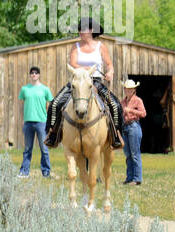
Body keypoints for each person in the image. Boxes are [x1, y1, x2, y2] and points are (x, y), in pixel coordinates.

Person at [44, 17, 124, 149]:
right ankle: (52, 135)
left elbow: (109, 65)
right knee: (55, 104)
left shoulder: (101, 47)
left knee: (115, 106)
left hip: (96, 81)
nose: (80, 32)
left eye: (83, 29)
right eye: (79, 29)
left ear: (91, 30)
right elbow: (73, 63)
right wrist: (89, 69)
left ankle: (116, 136)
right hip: (77, 81)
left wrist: (110, 72)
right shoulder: (75, 47)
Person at [18, 66, 54, 178]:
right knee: (28, 148)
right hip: (28, 122)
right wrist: (22, 119)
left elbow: (51, 103)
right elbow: (21, 104)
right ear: (30, 75)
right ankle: (24, 171)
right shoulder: (25, 89)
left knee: (44, 148)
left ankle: (46, 172)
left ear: (39, 75)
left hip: (41, 122)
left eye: (36, 73)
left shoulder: (45, 89)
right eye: (32, 73)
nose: (34, 75)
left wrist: (49, 121)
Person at [121, 78, 146, 185]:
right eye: (126, 89)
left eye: (130, 89)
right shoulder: (123, 101)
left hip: (134, 126)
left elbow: (143, 113)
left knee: (135, 153)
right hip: (125, 127)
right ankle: (130, 177)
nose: (128, 90)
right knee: (128, 154)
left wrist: (130, 110)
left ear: (134, 90)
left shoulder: (138, 100)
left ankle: (137, 178)